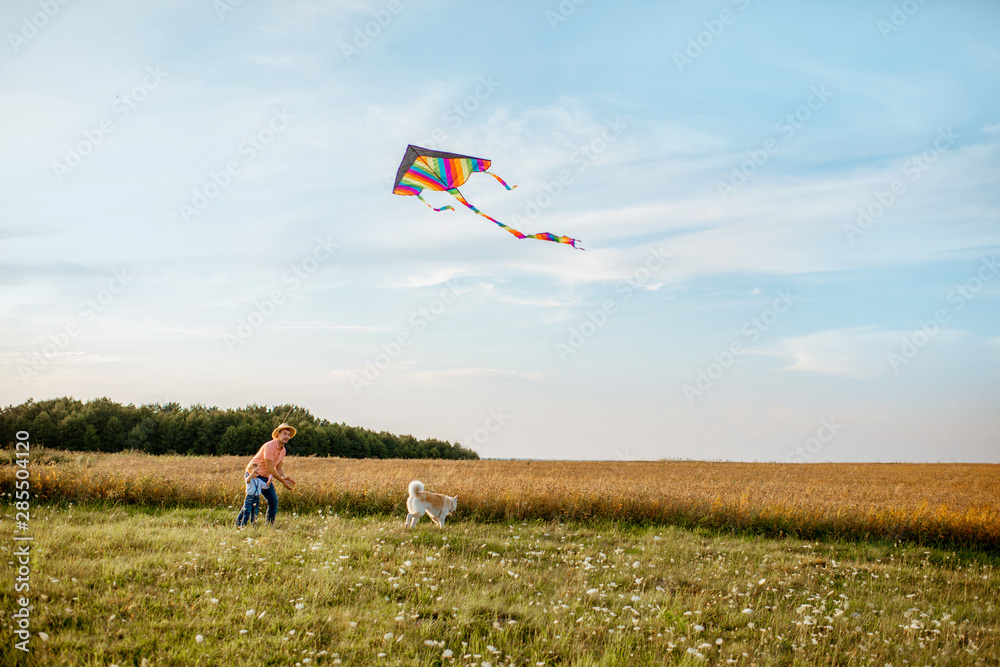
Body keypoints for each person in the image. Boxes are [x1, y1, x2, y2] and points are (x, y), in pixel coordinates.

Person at [245, 423, 296, 524]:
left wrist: (284, 477)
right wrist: (282, 481)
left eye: (288, 435)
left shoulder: (283, 450)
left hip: (265, 477)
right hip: (254, 474)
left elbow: (278, 467)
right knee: (251, 502)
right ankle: (240, 524)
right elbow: (270, 467)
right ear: (278, 434)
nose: (287, 436)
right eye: (284, 433)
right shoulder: (270, 446)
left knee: (273, 501)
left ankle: (269, 525)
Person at [236, 462, 271, 528]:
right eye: (255, 470)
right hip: (250, 497)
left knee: (255, 513)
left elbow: (265, 486)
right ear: (249, 471)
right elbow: (247, 480)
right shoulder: (250, 479)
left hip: (257, 498)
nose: (257, 471)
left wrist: (269, 482)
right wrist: (252, 474)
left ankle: (253, 526)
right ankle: (243, 526)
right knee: (246, 512)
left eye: (258, 470)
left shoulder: (259, 480)